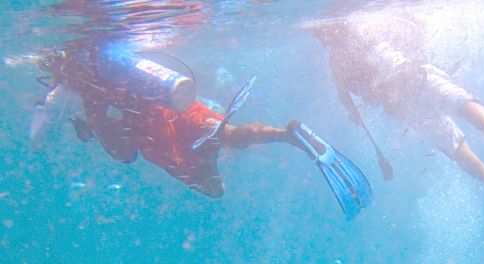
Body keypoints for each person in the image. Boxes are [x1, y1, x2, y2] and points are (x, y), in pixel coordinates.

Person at [31, 42, 372, 220]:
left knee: (212, 188)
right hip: (173, 105)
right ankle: (287, 134)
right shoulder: (112, 58)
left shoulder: (79, 93)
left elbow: (123, 154)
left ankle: (208, 151)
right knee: (230, 132)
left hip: (154, 136)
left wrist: (93, 127)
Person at [310, 18, 484, 223]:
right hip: (415, 76)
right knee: (461, 101)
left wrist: (356, 114)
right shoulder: (363, 26)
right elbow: (412, 30)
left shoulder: (337, 59)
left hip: (402, 105)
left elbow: (348, 103)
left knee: (455, 145)